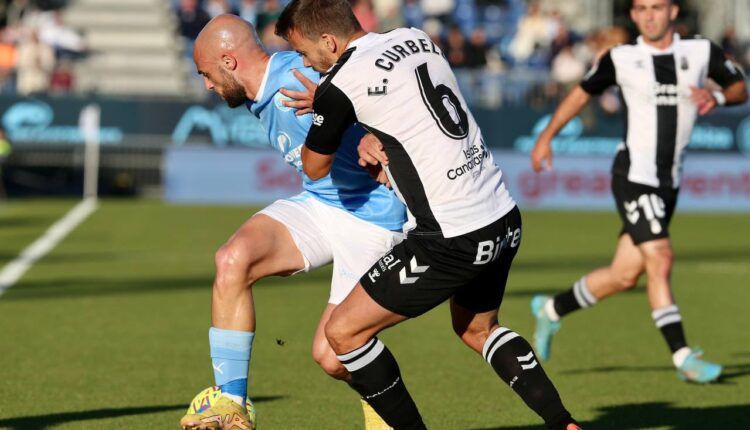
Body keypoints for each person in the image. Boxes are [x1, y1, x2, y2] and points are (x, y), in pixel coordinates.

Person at [275, 1, 581, 429]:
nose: (306, 62)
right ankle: (562, 422)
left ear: (329, 41)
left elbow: (314, 166)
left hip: (451, 237)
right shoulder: (414, 36)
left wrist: (328, 109)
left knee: (342, 333)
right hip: (502, 217)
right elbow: (403, 107)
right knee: (478, 330)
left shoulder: (339, 84)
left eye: (306, 53)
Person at [180, 14, 406, 430]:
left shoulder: (298, 72)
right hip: (321, 204)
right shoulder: (254, 92)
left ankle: (385, 409)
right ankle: (231, 402)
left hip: (372, 216)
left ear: (229, 62)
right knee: (233, 259)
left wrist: (375, 132)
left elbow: (382, 82)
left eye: (207, 74)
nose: (207, 86)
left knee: (332, 356)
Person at [529, 0, 748, 384]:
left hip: (669, 182)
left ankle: (550, 310)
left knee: (623, 275)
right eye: (642, 8)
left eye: (657, 7)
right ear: (632, 15)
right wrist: (546, 136)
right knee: (660, 258)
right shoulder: (621, 58)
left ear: (673, 11)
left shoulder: (700, 51)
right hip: (633, 174)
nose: (650, 15)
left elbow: (739, 87)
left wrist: (717, 97)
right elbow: (582, 93)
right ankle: (683, 357)